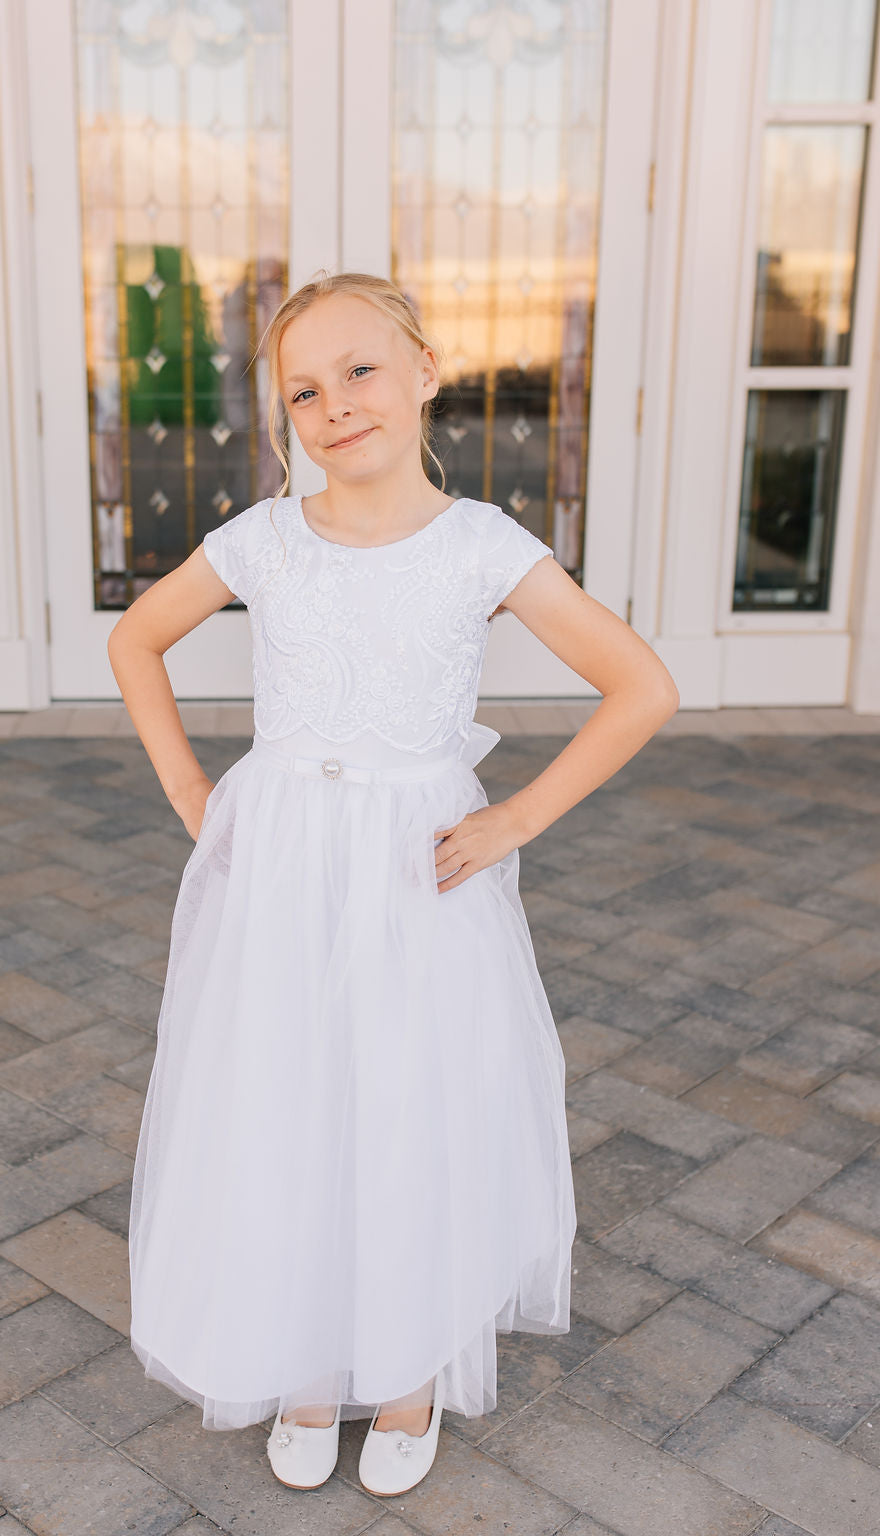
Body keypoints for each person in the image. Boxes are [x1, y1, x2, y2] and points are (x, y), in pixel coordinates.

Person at [108, 270, 679, 1498]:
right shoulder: (263, 540)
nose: (334, 407)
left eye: (360, 372)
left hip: (418, 872)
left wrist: (516, 815)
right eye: (303, 390)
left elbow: (641, 686)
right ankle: (305, 1354)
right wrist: (196, 797)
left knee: (409, 1096)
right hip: (281, 867)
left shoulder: (480, 546)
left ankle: (409, 1361)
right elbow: (134, 637)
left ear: (426, 371)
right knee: (288, 1090)